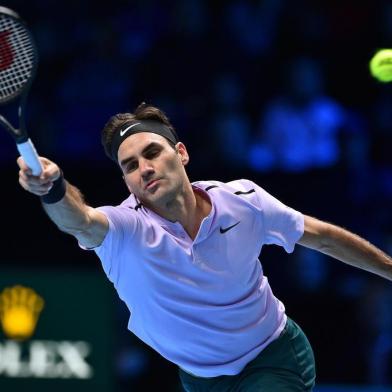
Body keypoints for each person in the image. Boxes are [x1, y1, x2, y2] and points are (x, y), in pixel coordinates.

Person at [18, 103, 392, 391]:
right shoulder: (124, 231)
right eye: (130, 165)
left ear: (181, 153)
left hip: (274, 357)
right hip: (200, 380)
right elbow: (78, 219)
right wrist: (54, 189)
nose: (144, 168)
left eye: (152, 153)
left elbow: (322, 236)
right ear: (125, 180)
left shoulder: (243, 200)